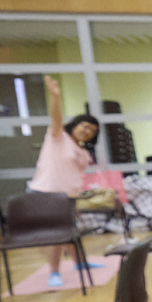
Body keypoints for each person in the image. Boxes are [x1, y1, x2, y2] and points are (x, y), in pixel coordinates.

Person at [30, 75, 101, 288]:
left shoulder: (83, 152)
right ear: (75, 125)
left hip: (69, 196)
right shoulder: (57, 137)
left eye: (91, 131)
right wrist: (54, 96)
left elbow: (76, 175)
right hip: (47, 193)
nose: (86, 131)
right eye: (84, 126)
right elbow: (56, 118)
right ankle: (54, 272)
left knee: (71, 230)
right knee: (56, 237)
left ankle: (80, 263)